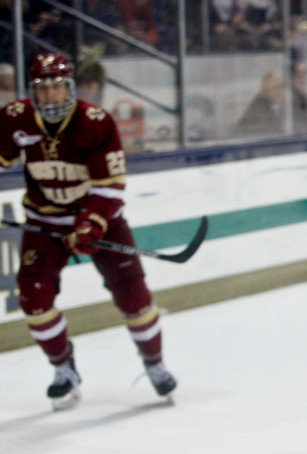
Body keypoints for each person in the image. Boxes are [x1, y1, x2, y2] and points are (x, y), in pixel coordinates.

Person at [0, 53, 176, 409]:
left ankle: (155, 364)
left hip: (101, 222)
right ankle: (64, 368)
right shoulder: (15, 119)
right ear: (33, 91)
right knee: (33, 300)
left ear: (71, 87)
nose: (51, 96)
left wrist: (90, 224)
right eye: (43, 88)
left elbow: (110, 187)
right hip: (44, 222)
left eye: (58, 87)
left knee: (134, 298)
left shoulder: (95, 123)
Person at [237, 71, 286, 136]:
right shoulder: (258, 112)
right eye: (275, 88)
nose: (279, 92)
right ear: (264, 89)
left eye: (281, 88)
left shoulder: (271, 107)